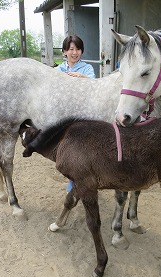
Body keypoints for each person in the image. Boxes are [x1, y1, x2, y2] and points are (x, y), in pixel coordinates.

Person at [56, 35, 95, 193]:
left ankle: (73, 187)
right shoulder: (58, 70)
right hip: (63, 116)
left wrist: (81, 77)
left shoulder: (87, 69)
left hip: (81, 115)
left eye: (78, 49)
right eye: (71, 49)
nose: (75, 52)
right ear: (64, 51)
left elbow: (94, 85)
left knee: (79, 151)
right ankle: (75, 182)